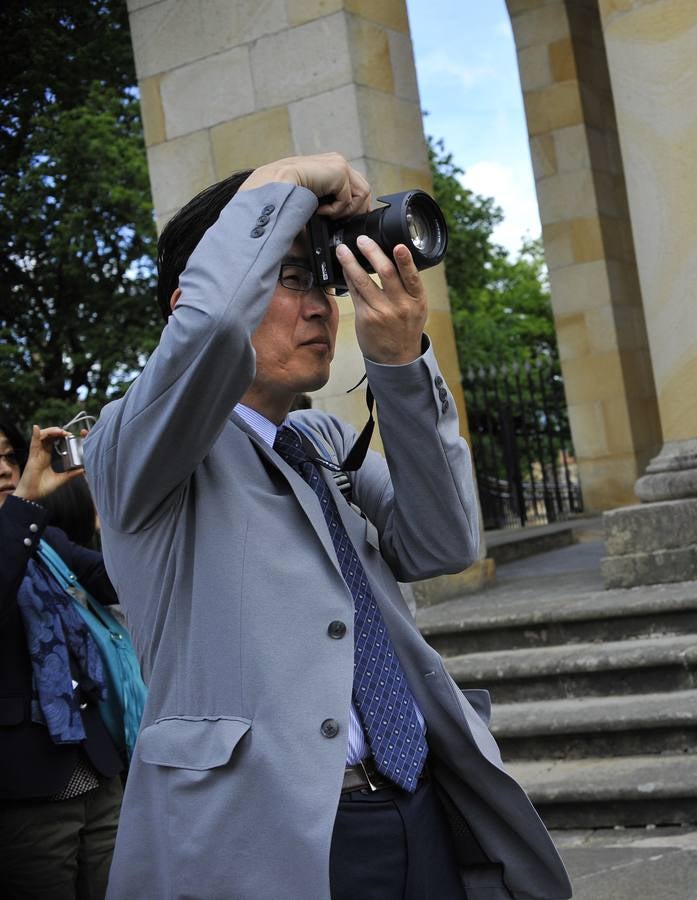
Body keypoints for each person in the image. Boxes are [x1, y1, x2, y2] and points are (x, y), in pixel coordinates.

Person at [85, 153, 571, 898]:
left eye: (323, 280)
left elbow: (444, 543)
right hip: (271, 838)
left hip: (416, 805)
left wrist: (402, 366)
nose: (319, 305)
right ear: (195, 297)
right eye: (289, 278)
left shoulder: (319, 443)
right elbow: (212, 326)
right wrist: (297, 173)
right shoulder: (140, 450)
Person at [0, 418, 125, 898]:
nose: (6, 468)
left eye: (11, 455)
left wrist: (115, 486)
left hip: (97, 769)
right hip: (24, 791)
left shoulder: (42, 538)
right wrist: (24, 506)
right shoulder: (23, 529)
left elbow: (116, 580)